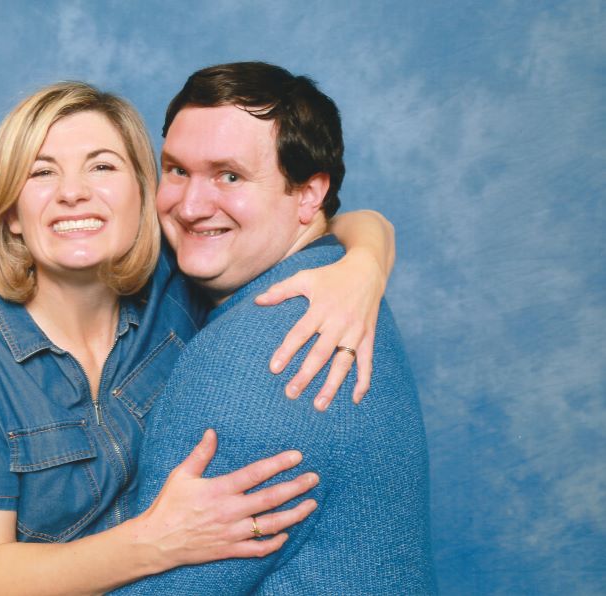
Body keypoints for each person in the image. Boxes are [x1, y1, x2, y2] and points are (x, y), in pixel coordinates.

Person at [0, 77, 398, 594]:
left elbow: (320, 219)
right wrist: (154, 541)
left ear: (143, 195)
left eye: (102, 166)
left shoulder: (180, 281)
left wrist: (365, 263)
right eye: (41, 172)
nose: (73, 192)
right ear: (11, 212)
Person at [109, 62, 436, 594]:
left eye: (229, 176)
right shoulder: (333, 282)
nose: (190, 206)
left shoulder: (263, 356)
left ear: (308, 194)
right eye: (177, 170)